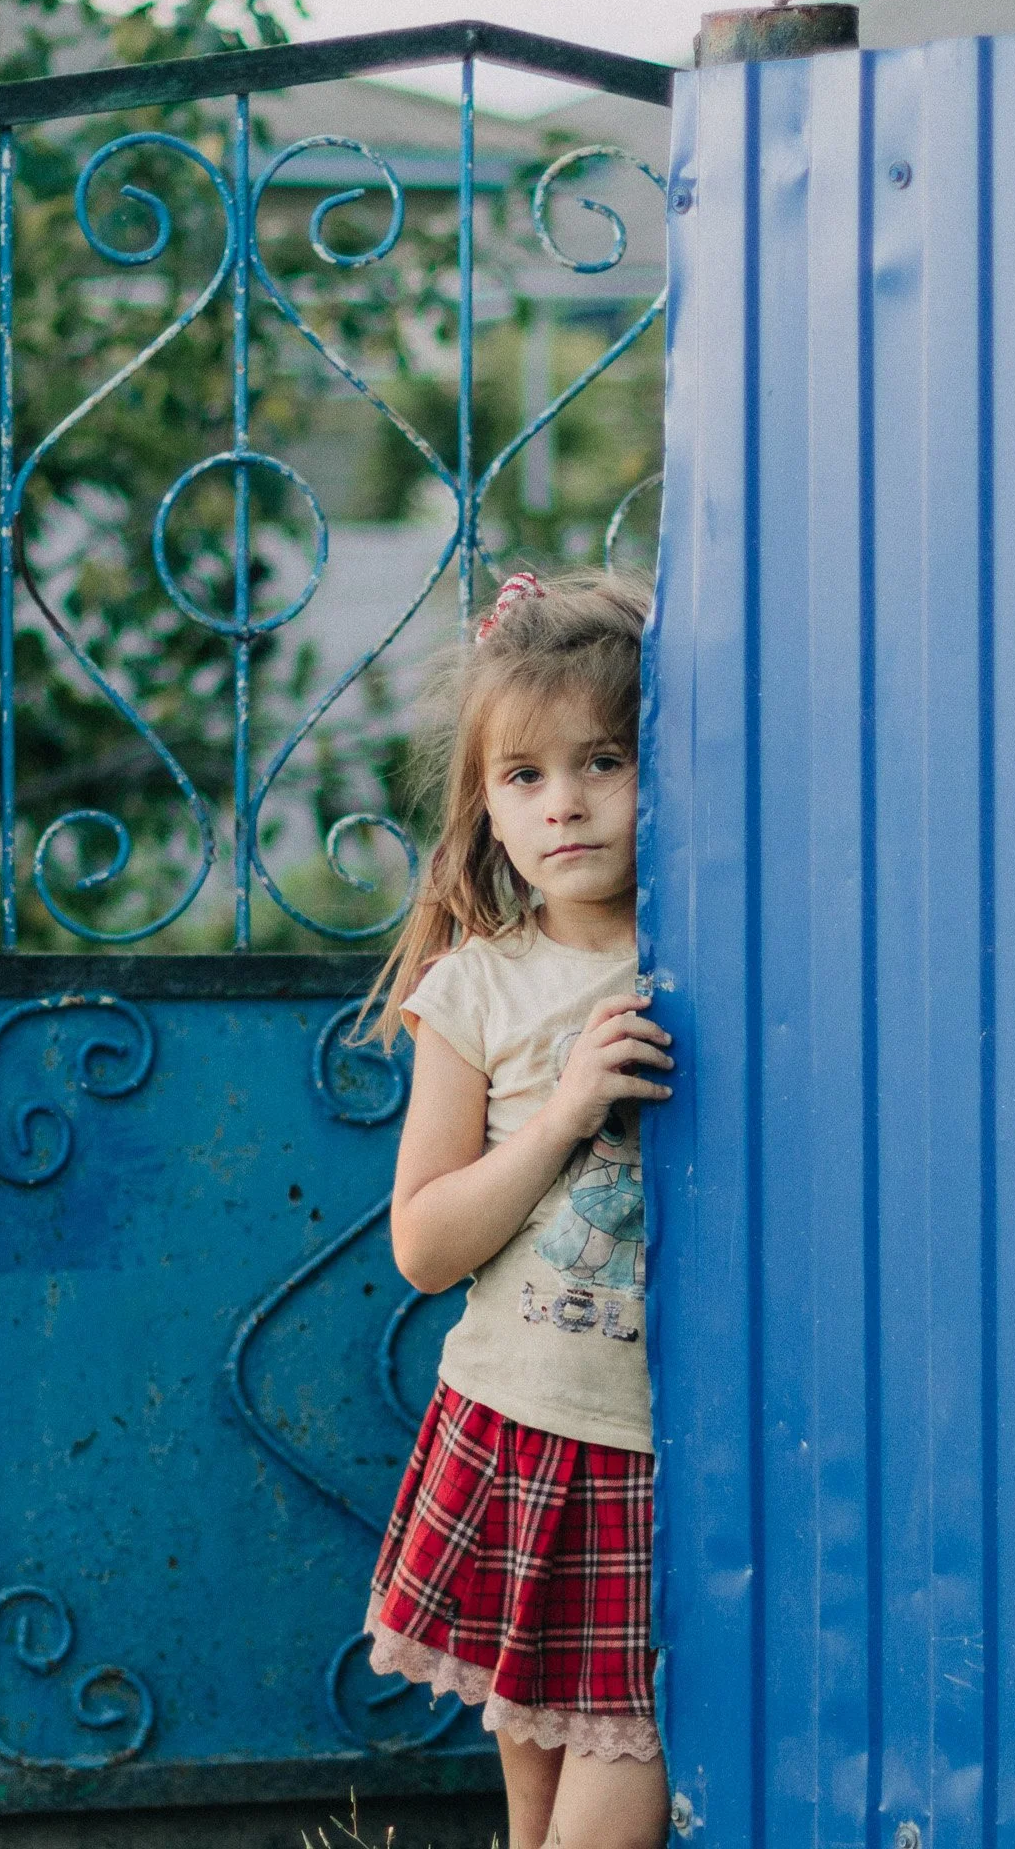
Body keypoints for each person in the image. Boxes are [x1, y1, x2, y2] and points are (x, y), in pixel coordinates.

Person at [361, 570, 673, 1849]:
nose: (567, 804)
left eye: (604, 759)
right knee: (536, 1811)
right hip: (517, 1425)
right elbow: (424, 1242)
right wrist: (559, 1116)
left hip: (661, 1449)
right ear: (484, 805)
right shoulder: (476, 988)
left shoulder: (723, 951)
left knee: (627, 1767)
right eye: (525, 776)